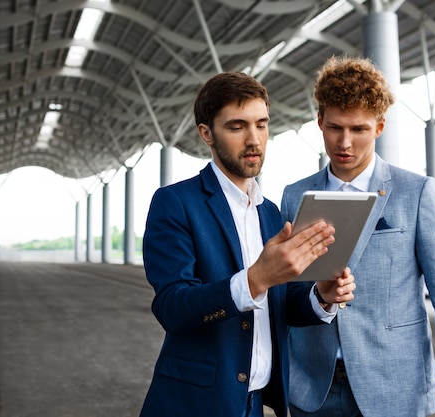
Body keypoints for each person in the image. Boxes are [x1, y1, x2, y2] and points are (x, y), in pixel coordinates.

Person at [139, 71, 356, 417]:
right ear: (206, 134)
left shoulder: (270, 213)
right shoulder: (175, 203)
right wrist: (255, 279)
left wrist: (320, 296)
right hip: (194, 404)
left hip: (255, 404)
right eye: (237, 127)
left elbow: (280, 305)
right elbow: (172, 308)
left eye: (262, 124)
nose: (254, 140)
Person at [281, 56, 435, 417]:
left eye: (359, 129)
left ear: (380, 126)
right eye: (335, 127)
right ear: (319, 121)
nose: (345, 143)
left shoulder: (416, 193)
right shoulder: (294, 196)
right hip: (311, 393)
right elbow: (286, 294)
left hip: (396, 390)